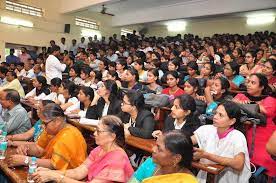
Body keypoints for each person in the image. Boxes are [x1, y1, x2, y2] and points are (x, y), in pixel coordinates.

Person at [32, 115, 134, 182]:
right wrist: (51, 172)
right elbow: (79, 172)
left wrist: (55, 176)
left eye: (98, 131)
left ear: (112, 136)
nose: (94, 134)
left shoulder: (117, 159)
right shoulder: (99, 149)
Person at [8, 103, 87, 170]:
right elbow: (39, 149)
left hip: (68, 175)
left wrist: (26, 160)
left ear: (57, 121)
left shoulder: (69, 136)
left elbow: (54, 165)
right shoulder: (50, 130)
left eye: (45, 123)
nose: (43, 126)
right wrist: (26, 148)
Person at [191, 101, 251, 183]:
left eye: (220, 115)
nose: (215, 117)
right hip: (206, 177)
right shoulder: (207, 129)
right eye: (215, 113)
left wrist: (206, 155)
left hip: (229, 179)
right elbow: (188, 141)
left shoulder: (237, 136)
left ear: (232, 121)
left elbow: (238, 164)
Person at [233, 73, 276, 177]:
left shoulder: (270, 100)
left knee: (263, 168)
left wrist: (243, 105)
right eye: (248, 82)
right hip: (242, 136)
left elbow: (266, 111)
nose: (248, 85)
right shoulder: (240, 96)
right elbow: (231, 107)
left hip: (264, 140)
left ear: (261, 87)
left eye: (253, 83)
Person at [129, 131, 197, 183]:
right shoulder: (150, 163)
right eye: (156, 145)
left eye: (159, 148)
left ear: (176, 158)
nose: (153, 149)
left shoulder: (186, 180)